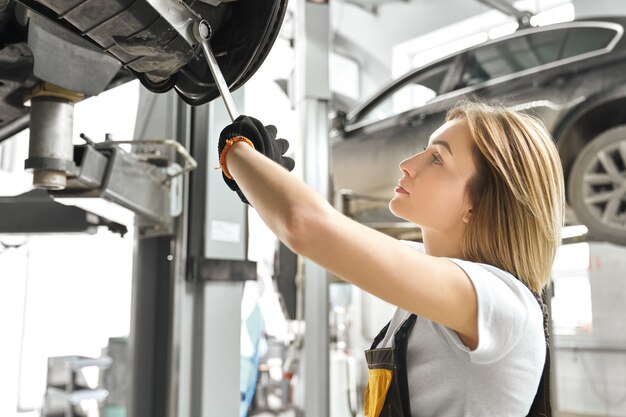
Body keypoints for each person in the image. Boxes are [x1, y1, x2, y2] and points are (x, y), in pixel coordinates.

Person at [216, 100, 564, 417]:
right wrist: (263, 183)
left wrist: (236, 152)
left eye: (437, 158)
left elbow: (307, 226)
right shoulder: (435, 283)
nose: (408, 164)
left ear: (479, 203)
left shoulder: (499, 301)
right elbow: (323, 233)